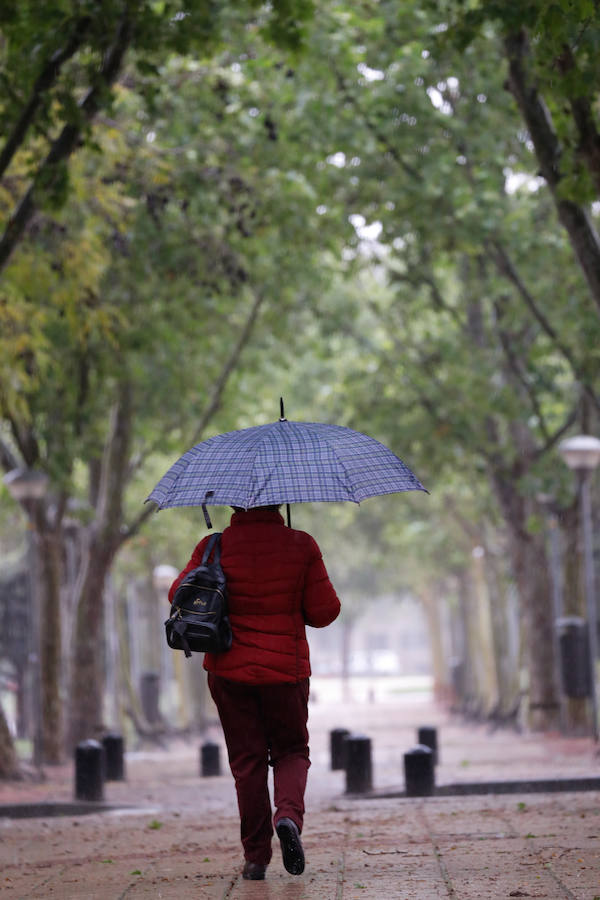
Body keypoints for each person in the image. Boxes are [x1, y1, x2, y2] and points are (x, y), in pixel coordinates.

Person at [168, 504, 340, 881]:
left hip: (229, 672)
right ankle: (289, 817)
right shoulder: (302, 545)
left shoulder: (213, 547)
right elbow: (325, 612)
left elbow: (177, 594)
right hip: (286, 672)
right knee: (292, 751)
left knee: (247, 763)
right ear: (280, 502)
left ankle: (255, 858)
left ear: (233, 503)